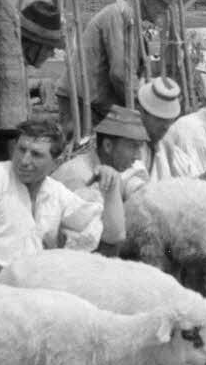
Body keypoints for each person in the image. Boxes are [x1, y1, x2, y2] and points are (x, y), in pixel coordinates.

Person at [0, 118, 104, 277]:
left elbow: (106, 233)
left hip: (31, 284)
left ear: (55, 163)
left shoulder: (55, 191)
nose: (24, 161)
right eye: (21, 150)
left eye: (36, 154)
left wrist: (111, 190)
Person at [53, 105, 151, 256]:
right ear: (108, 145)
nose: (138, 156)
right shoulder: (78, 176)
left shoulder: (114, 171)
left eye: (140, 148)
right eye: (133, 147)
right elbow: (87, 240)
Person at [80, 0, 177, 116]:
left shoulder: (134, 23)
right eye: (163, 5)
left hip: (98, 102)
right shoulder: (120, 16)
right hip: (84, 102)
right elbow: (121, 73)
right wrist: (145, 103)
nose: (164, 11)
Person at [136, 76, 183, 180]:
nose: (165, 126)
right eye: (159, 119)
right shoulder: (127, 145)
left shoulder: (167, 143)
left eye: (169, 120)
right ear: (141, 112)